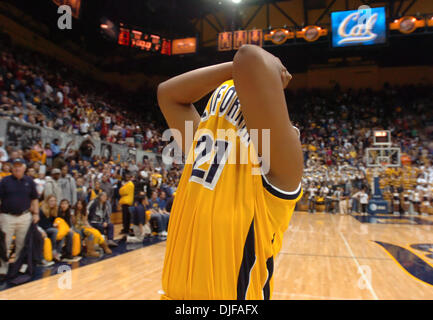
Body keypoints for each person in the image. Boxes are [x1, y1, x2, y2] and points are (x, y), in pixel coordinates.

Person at [157, 45, 303, 300]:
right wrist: (233, 70)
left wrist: (259, 70)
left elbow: (250, 58)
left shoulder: (280, 173)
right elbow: (168, 94)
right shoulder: (203, 150)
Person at [0, 158, 40, 279]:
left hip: (25, 216)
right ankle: (3, 268)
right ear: (12, 168)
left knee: (22, 244)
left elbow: (34, 198)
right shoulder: (5, 181)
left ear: (24, 168)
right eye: (15, 166)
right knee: (3, 244)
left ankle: (16, 267)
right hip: (7, 216)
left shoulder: (29, 181)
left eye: (19, 166)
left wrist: (36, 213)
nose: (17, 168)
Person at [38, 195, 62, 261]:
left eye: (54, 201)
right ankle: (53, 250)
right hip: (42, 229)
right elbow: (41, 224)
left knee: (61, 233)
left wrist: (54, 225)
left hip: (49, 228)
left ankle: (58, 253)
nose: (53, 202)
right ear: (47, 201)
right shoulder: (41, 210)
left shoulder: (54, 210)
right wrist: (52, 225)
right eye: (51, 201)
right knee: (55, 231)